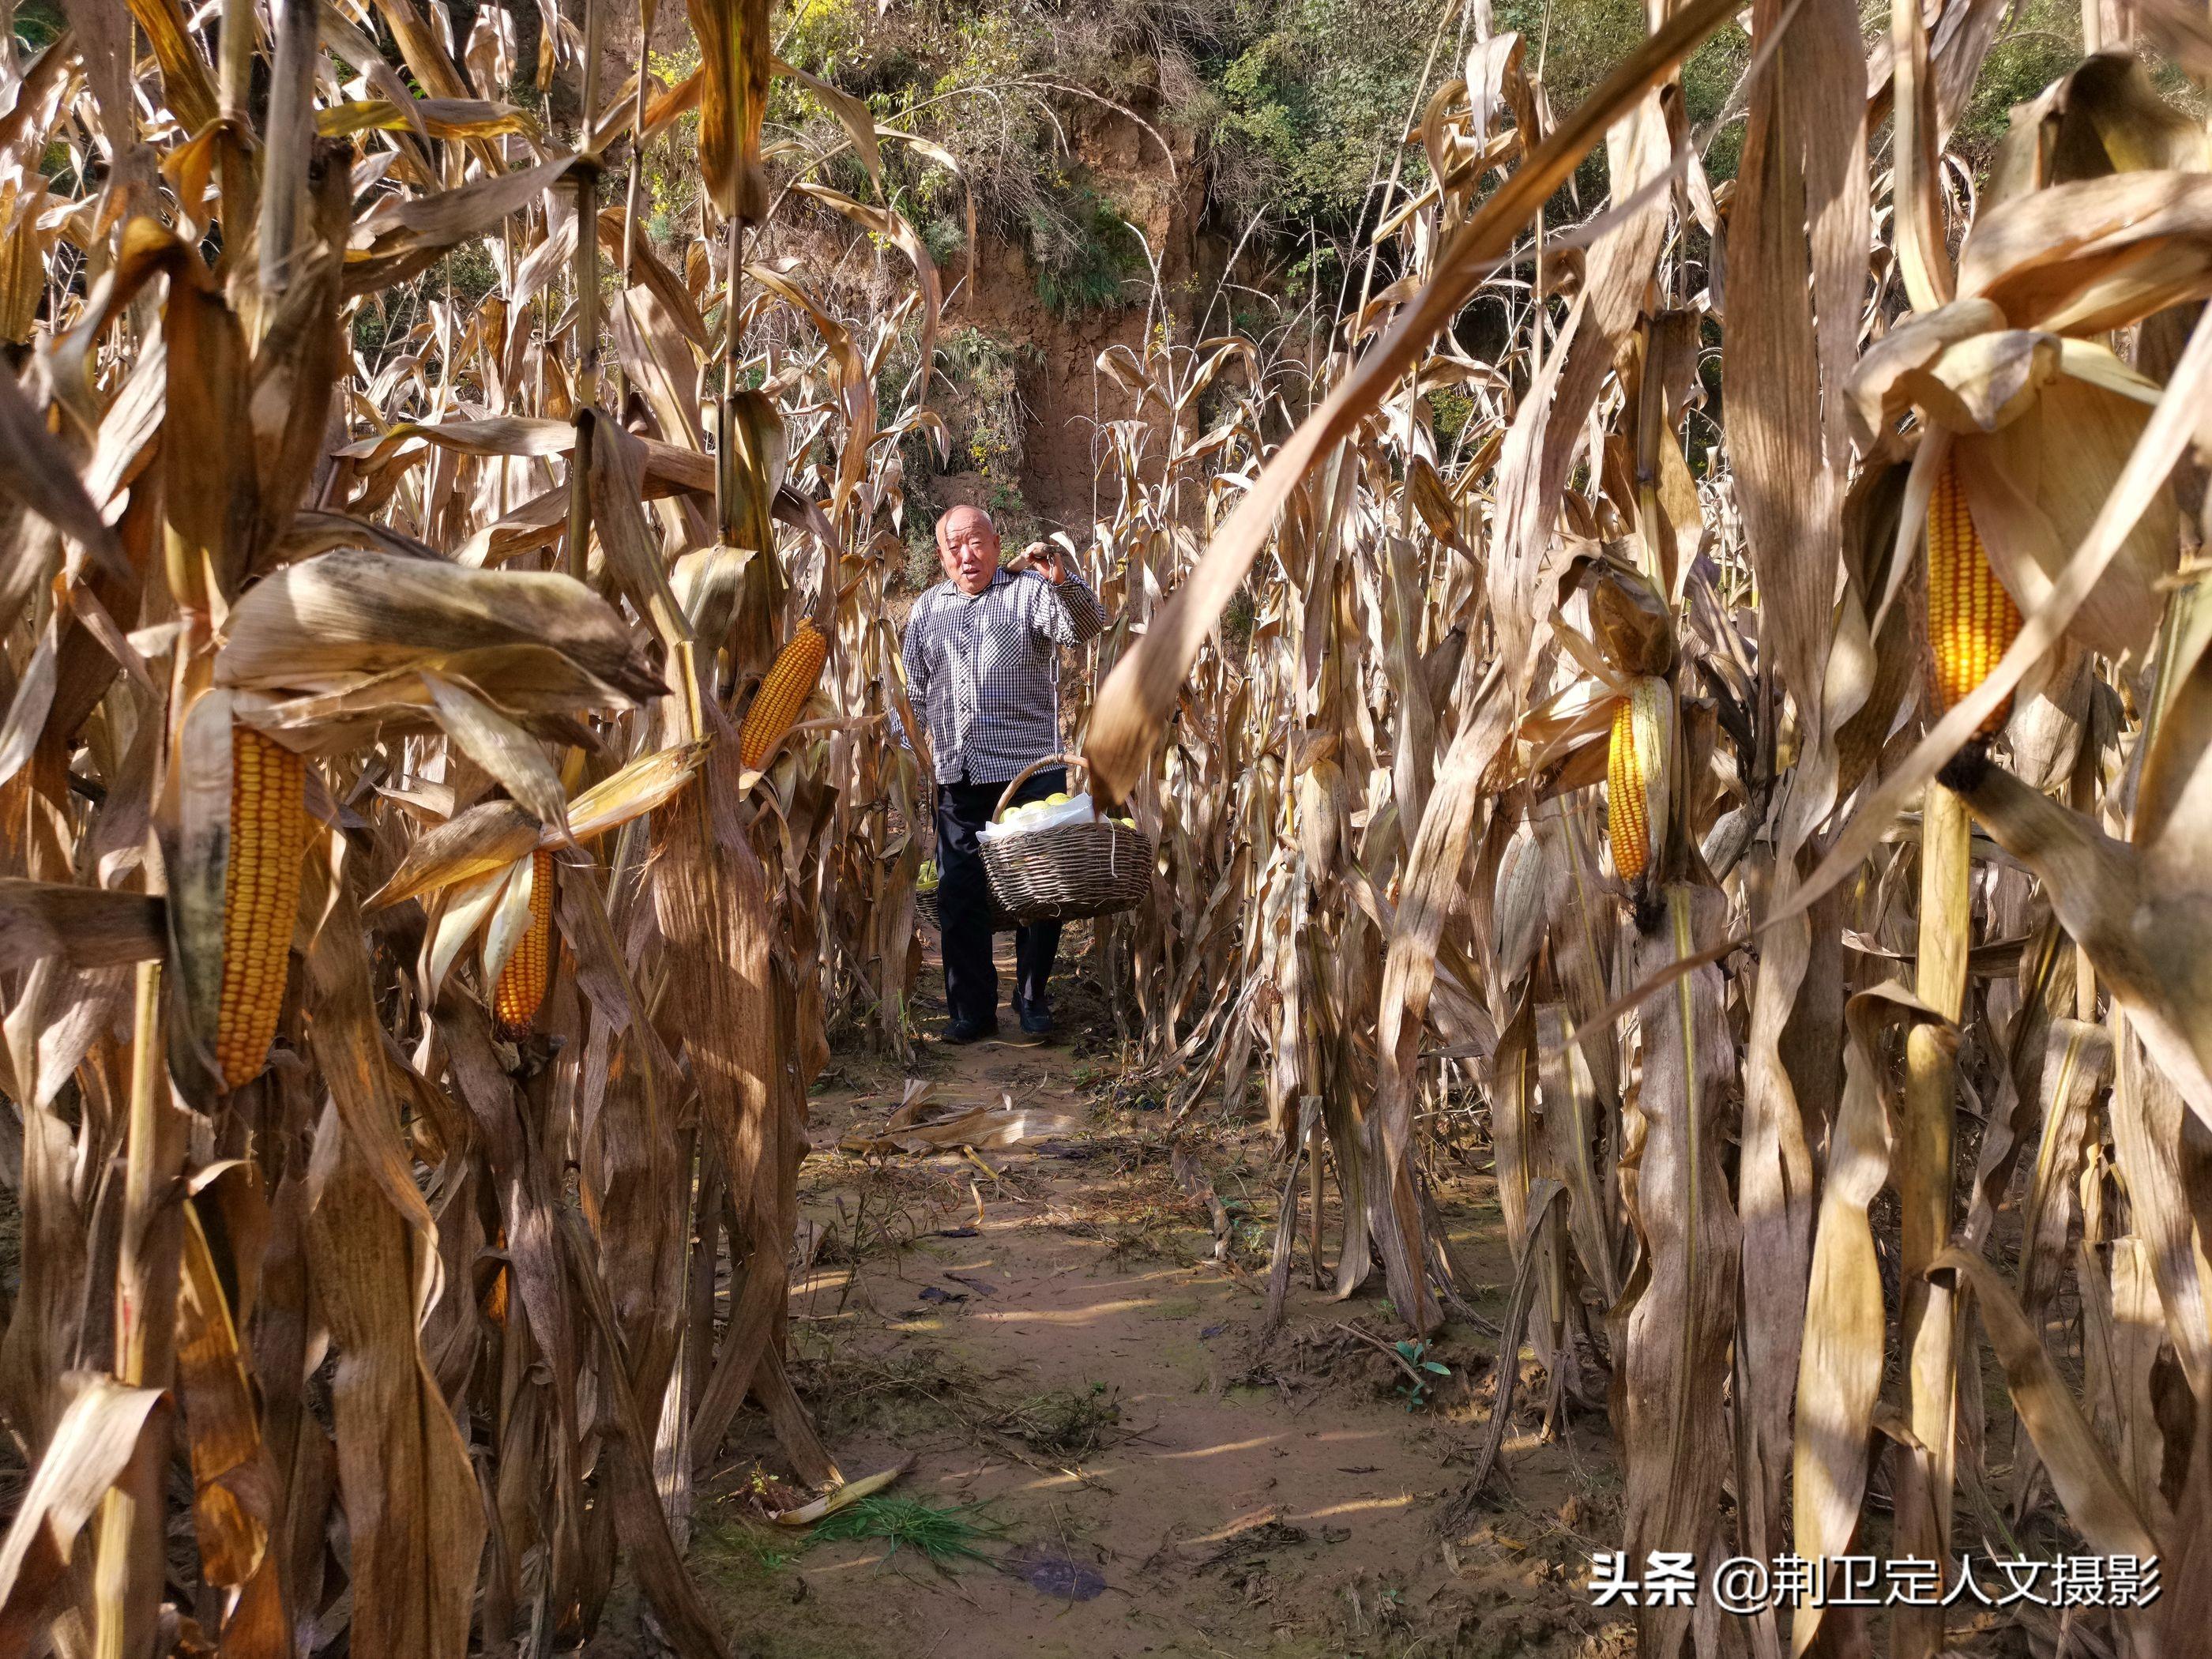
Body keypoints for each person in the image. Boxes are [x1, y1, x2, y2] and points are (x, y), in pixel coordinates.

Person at [901, 505, 1108, 1042]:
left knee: (1042, 890)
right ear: (941, 556)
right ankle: (972, 1011)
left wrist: (1064, 581)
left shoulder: (1028, 593)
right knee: (958, 894)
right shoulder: (927, 610)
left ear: (996, 545)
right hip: (958, 773)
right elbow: (915, 695)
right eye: (954, 547)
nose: (965, 556)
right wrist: (903, 750)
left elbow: (1085, 627)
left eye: (976, 543)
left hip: (1027, 772)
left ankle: (1033, 997)